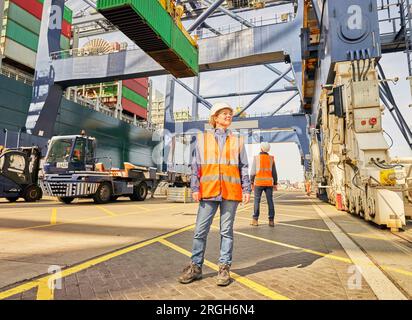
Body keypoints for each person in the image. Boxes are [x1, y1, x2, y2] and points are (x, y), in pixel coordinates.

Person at [178, 102, 251, 287]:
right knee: (200, 231)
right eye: (224, 113)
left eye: (229, 113)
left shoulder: (238, 140)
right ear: (215, 118)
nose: (228, 116)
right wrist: (195, 188)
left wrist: (247, 189)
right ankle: (195, 267)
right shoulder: (202, 139)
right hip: (208, 191)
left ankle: (224, 268)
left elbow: (244, 167)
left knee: (226, 232)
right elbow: (195, 166)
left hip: (230, 192)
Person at [250, 142, 278, 227]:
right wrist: (275, 183)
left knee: (256, 201)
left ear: (261, 148)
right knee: (270, 201)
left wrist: (251, 182)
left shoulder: (256, 158)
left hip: (258, 183)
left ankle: (255, 220)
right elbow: (274, 173)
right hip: (269, 184)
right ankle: (271, 221)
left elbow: (252, 173)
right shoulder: (271, 159)